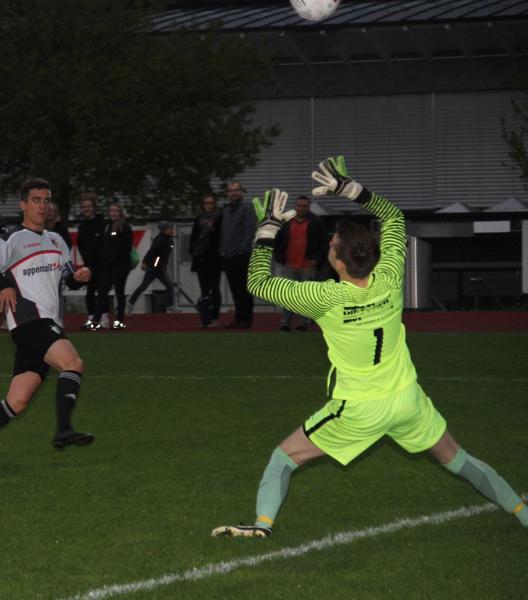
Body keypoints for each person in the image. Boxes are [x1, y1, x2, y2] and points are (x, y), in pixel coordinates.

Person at [212, 156, 528, 538]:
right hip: (407, 399)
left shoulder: (324, 297)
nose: (330, 241)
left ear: (340, 262)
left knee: (282, 458)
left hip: (359, 408)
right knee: (459, 459)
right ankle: (523, 514)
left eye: (334, 242)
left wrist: (266, 230)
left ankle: (262, 526)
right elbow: (394, 217)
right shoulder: (390, 276)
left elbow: (259, 284)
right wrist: (350, 189)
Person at [0, 178, 94, 462]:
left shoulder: (57, 240)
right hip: (29, 321)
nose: (42, 206)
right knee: (73, 364)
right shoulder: (11, 238)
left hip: (46, 325)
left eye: (46, 200)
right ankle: (64, 429)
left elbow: (68, 279)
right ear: (23, 204)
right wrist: (5, 285)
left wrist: (79, 277)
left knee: (17, 402)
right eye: (36, 200)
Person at [273, 195, 326, 332]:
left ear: (308, 207)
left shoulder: (316, 222)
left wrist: (316, 259)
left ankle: (303, 323)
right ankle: (285, 322)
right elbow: (277, 239)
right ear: (295, 206)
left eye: (304, 206)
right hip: (288, 264)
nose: (302, 208)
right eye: (299, 205)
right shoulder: (286, 222)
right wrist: (279, 256)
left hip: (308, 265)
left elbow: (324, 243)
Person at [219, 181, 256, 328]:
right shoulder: (226, 210)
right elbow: (223, 232)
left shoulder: (246, 208)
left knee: (243, 288)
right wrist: (222, 250)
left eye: (236, 190)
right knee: (235, 289)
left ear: (241, 192)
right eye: (230, 191)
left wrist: (242, 249)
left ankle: (246, 320)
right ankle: (238, 318)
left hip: (241, 255)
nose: (233, 193)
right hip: (227, 255)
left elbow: (249, 230)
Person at [95, 202, 132, 330]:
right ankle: (95, 320)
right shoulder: (107, 227)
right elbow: (103, 245)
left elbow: (126, 248)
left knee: (119, 292)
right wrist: (104, 259)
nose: (114, 213)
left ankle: (119, 321)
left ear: (120, 213)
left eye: (116, 211)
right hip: (107, 265)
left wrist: (113, 258)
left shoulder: (125, 227)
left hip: (121, 265)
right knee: (102, 292)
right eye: (111, 211)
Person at [126, 221, 175, 314]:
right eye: (170, 228)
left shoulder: (169, 240)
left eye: (172, 228)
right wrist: (145, 262)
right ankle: (130, 304)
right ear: (164, 230)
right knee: (143, 287)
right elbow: (151, 251)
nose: (172, 230)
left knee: (169, 286)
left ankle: (170, 306)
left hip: (160, 268)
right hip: (154, 267)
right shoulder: (160, 240)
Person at [189, 194, 222, 328]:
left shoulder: (219, 218)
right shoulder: (198, 219)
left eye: (211, 203)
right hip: (201, 258)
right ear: (203, 205)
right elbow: (193, 238)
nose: (209, 205)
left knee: (214, 289)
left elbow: (220, 237)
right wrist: (193, 252)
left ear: (214, 204)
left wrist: (213, 229)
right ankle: (206, 318)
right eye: (206, 203)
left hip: (214, 258)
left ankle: (214, 317)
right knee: (204, 290)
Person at [75, 193, 105, 330]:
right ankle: (91, 318)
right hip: (88, 265)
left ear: (94, 208)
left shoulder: (102, 223)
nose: (87, 209)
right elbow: (80, 244)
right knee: (90, 292)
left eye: (89, 206)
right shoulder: (82, 226)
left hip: (102, 265)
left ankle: (103, 319)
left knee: (102, 291)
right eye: (84, 207)